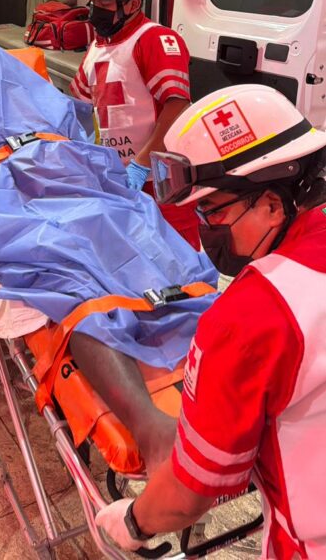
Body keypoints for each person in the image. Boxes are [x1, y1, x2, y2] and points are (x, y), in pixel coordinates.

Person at [96, 83, 326, 558]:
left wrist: (133, 522)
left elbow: (189, 494)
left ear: (272, 204)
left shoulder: (250, 318)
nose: (205, 230)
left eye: (212, 210)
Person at [69, 0, 200, 249]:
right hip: (120, 183)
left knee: (178, 266)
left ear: (133, 4)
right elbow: (77, 108)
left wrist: (141, 164)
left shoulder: (154, 40)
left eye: (104, 4)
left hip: (162, 186)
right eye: (93, 3)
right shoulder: (97, 48)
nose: (95, 12)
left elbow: (178, 107)